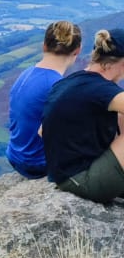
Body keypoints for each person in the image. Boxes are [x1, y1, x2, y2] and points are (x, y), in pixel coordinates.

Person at [41, 27, 124, 204]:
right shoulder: (101, 90)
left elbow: (42, 131)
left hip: (67, 175)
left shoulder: (71, 82)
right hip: (83, 181)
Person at [6, 20, 83, 178]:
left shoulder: (26, 73)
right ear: (77, 50)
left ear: (44, 46)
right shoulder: (58, 86)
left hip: (15, 155)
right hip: (37, 164)